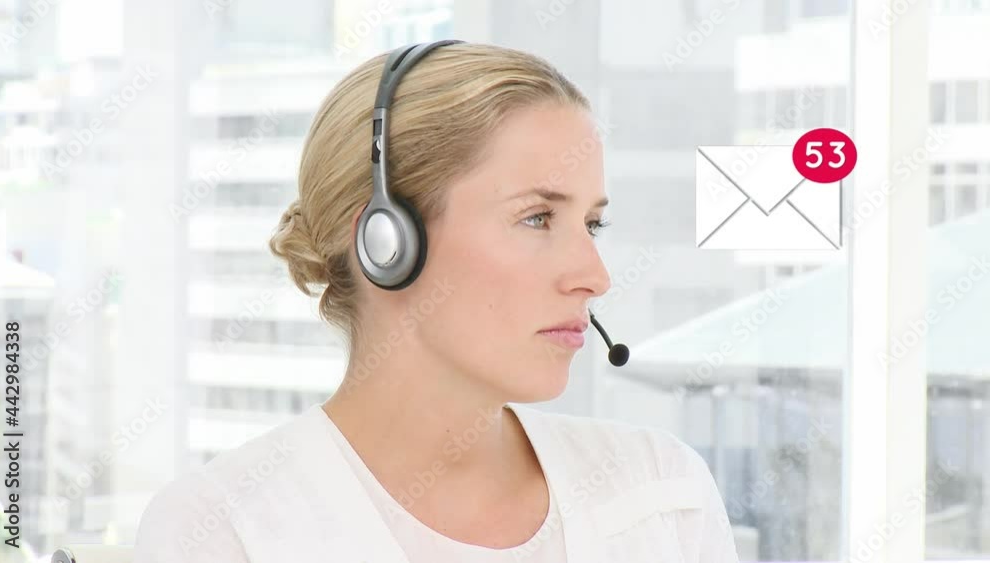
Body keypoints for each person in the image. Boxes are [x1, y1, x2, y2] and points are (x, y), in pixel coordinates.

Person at [133, 40, 739, 563]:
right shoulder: (223, 529)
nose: (595, 276)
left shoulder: (662, 492)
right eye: (536, 218)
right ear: (385, 242)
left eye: (592, 225)